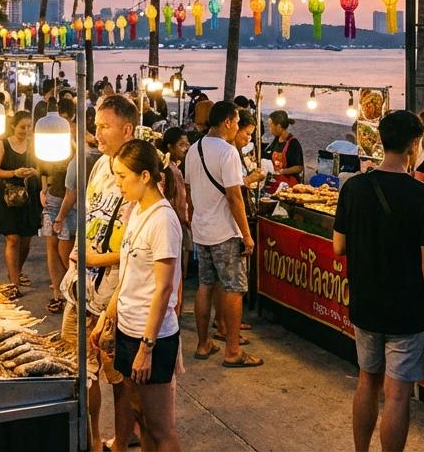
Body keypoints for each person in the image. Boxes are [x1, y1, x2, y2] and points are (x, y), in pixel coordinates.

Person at [333, 110, 424, 452]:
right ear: (414, 145)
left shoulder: (354, 187)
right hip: (407, 312)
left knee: (367, 382)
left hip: (366, 303)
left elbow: (339, 246)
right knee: (397, 394)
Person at [95, 139, 184, 452]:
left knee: (161, 428)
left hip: (153, 337)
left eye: (122, 176)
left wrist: (147, 347)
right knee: (141, 416)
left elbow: (163, 289)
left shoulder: (163, 220)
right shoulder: (136, 210)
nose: (118, 183)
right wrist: (108, 314)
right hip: (128, 329)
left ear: (145, 176)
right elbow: (130, 272)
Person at [60, 93, 137, 450]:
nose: (98, 133)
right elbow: (90, 219)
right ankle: (91, 436)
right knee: (79, 369)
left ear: (127, 129)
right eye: (96, 127)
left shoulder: (140, 176)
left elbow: (137, 248)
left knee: (118, 377)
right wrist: (77, 261)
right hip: (81, 287)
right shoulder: (96, 166)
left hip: (115, 295)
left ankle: (122, 440)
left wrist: (95, 261)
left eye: (104, 127)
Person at [185, 101, 259, 367]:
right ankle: (233, 350)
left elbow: (190, 193)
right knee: (234, 289)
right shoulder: (228, 152)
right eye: (237, 123)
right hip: (225, 232)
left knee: (205, 285)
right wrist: (247, 235)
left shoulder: (193, 150)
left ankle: (203, 344)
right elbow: (234, 197)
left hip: (202, 231)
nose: (237, 127)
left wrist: (196, 220)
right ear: (227, 122)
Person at [0, 110, 42, 294]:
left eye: (29, 127)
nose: (26, 130)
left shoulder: (35, 145)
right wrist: (14, 173)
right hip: (9, 198)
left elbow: (42, 169)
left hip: (30, 197)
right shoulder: (3, 144)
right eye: (22, 127)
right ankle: (14, 284)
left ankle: (17, 271)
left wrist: (33, 172)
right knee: (12, 239)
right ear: (13, 126)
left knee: (26, 240)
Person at [39, 98, 78, 314]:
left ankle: (70, 294)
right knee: (51, 249)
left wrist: (73, 141)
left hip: (70, 201)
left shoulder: (76, 138)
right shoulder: (45, 135)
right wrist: (43, 190)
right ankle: (57, 293)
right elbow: (42, 167)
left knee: (67, 253)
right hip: (53, 197)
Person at [263, 110, 304, 192]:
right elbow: (267, 154)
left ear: (278, 126)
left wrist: (282, 171)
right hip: (276, 180)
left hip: (289, 183)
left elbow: (299, 167)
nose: (269, 129)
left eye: (271, 126)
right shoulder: (276, 140)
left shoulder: (293, 143)